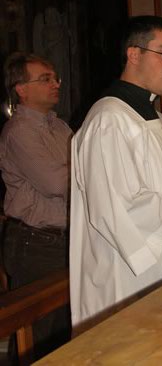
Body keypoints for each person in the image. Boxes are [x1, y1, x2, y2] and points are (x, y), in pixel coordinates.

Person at [70, 15, 162, 329]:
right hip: (129, 276)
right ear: (133, 55)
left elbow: (160, 190)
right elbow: (113, 207)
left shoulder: (158, 122)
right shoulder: (108, 119)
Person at [0, 52, 72, 359]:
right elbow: (57, 184)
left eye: (55, 77)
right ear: (21, 89)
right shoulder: (19, 131)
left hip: (64, 240)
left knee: (62, 333)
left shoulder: (60, 127)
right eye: (45, 79)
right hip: (34, 243)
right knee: (36, 337)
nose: (55, 83)